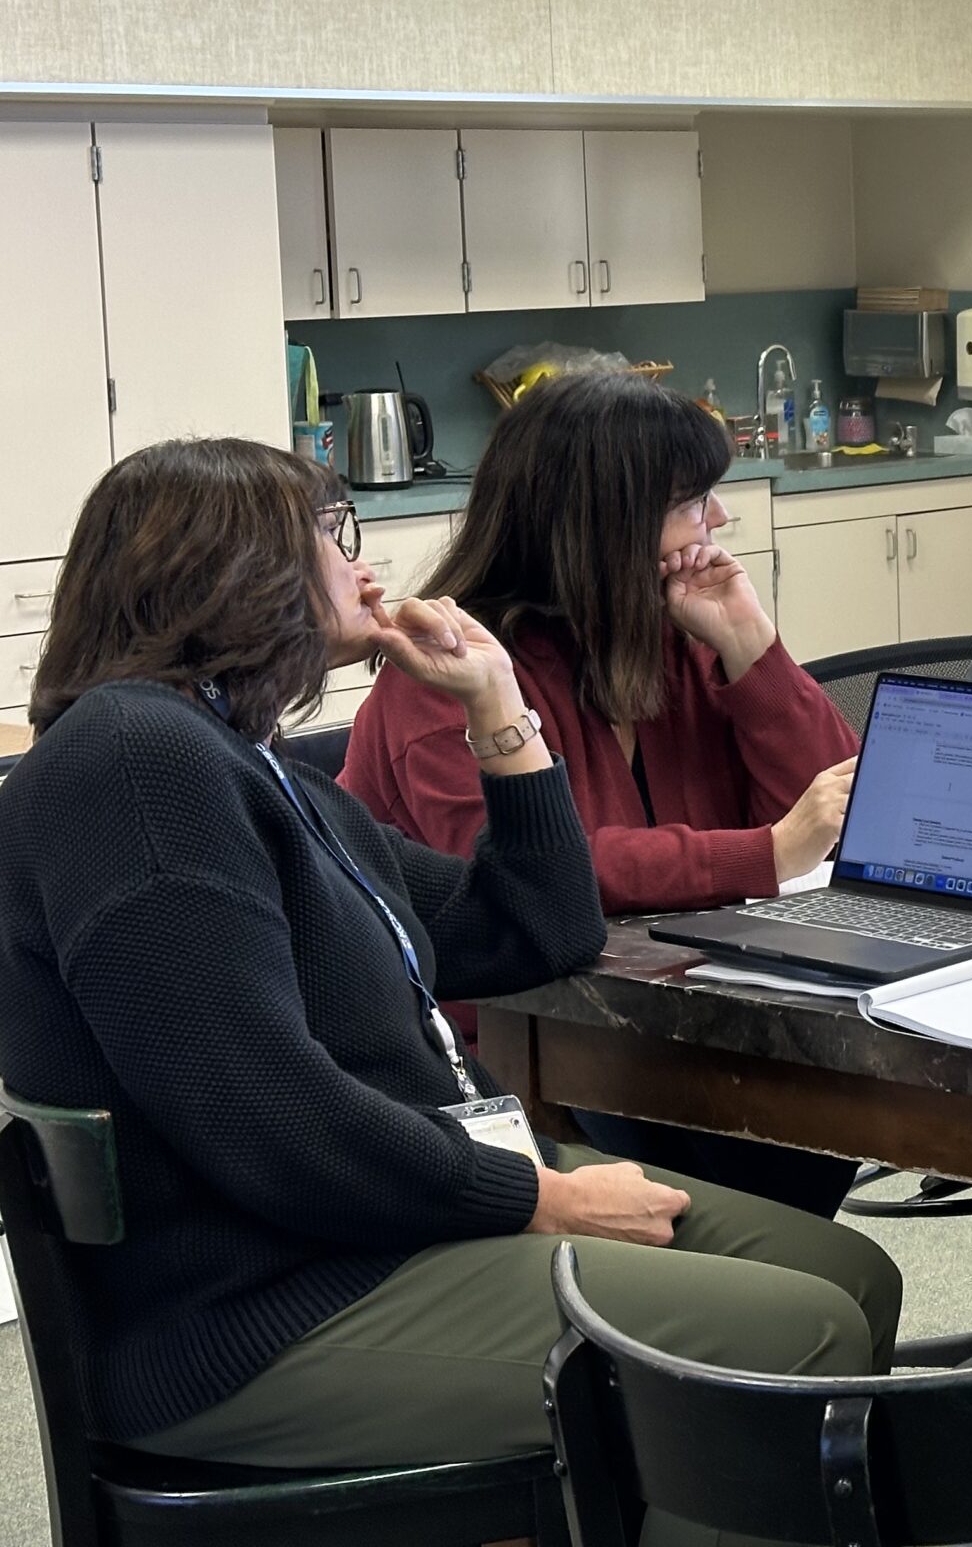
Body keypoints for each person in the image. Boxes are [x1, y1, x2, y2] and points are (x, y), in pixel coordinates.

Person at [0, 439, 900, 1528]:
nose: (366, 572)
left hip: (378, 1223)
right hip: (266, 1308)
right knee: (802, 1332)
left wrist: (497, 711)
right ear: (230, 567)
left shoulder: (248, 765)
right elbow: (263, 1113)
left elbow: (537, 928)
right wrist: (544, 1201)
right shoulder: (138, 765)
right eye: (335, 540)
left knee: (852, 1277)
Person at [345, 373, 862, 1217]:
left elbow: (839, 803)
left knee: (813, 1138)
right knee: (768, 1179)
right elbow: (541, 876)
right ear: (605, 527)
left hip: (670, 1019)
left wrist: (750, 645)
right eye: (694, 503)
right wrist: (762, 853)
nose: (719, 523)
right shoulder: (452, 677)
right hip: (515, 1052)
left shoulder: (672, 634)